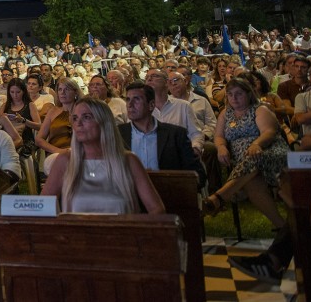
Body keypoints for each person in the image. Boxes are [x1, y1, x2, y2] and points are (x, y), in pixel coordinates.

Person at [42, 97, 164, 214]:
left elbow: (157, 209)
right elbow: (41, 206)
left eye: (86, 117)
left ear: (103, 122)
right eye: (75, 118)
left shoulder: (129, 161)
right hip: (76, 234)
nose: (78, 123)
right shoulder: (65, 160)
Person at [204, 78, 288, 234]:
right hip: (244, 161)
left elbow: (269, 132)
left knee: (253, 158)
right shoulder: (225, 113)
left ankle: (220, 197)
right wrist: (221, 147)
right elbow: (218, 136)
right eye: (230, 94)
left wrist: (256, 144)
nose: (234, 98)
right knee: (252, 182)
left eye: (239, 94)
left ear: (249, 94)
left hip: (268, 152)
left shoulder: (259, 109)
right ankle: (282, 228)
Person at [117, 83, 206, 187]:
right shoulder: (117, 134)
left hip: (167, 194)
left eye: (136, 99)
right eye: (127, 99)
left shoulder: (176, 135)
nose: (130, 105)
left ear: (151, 105)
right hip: (128, 195)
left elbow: (198, 175)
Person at [36, 77, 82, 173]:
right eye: (60, 89)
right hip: (57, 153)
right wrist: (58, 151)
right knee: (61, 163)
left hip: (80, 152)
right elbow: (39, 139)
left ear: (76, 92)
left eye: (67, 89)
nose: (62, 92)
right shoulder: (53, 111)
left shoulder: (83, 111)